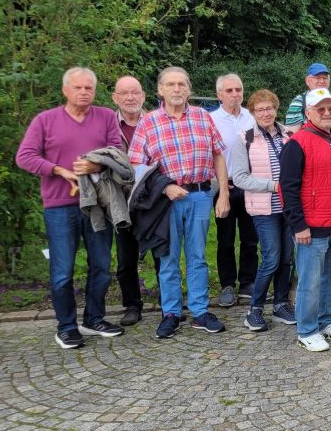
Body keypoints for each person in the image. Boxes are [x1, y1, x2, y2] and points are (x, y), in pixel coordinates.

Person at [16, 67, 124, 348]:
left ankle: (94, 318)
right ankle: (65, 326)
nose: (84, 92)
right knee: (63, 270)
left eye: (89, 88)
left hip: (98, 205)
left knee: (100, 265)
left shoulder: (107, 116)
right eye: (78, 87)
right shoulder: (45, 120)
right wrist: (57, 170)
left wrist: (96, 164)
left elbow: (116, 150)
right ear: (65, 90)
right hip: (60, 206)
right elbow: (24, 157)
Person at [129, 66, 231, 339]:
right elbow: (136, 165)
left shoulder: (202, 117)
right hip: (167, 201)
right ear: (160, 90)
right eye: (171, 85)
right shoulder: (148, 122)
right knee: (168, 258)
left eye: (181, 85)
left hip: (200, 195)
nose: (177, 89)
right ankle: (171, 313)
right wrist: (166, 187)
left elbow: (218, 154)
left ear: (189, 89)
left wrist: (223, 193)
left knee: (197, 257)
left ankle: (199, 311)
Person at [280, 88, 331, 351]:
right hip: (312, 225)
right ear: (308, 113)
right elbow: (288, 188)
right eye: (320, 109)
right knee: (311, 280)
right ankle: (306, 329)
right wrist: (298, 225)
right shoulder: (298, 143)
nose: (327, 112)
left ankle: (327, 321)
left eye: (330, 108)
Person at [229, 89, 297, 332]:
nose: (266, 113)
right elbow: (239, 178)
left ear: (276, 109)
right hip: (263, 208)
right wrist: (272, 186)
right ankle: (254, 310)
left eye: (269, 108)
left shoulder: (289, 134)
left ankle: (280, 305)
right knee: (271, 258)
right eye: (260, 110)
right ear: (253, 113)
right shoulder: (244, 138)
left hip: (289, 208)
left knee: (287, 259)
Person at [110, 75, 157, 326]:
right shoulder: (108, 125)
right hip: (122, 198)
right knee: (126, 257)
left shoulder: (155, 122)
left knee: (162, 253)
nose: (130, 97)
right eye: (124, 93)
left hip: (153, 197)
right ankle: (132, 305)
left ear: (143, 96)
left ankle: (168, 305)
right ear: (115, 97)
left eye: (135, 92)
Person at [210, 74, 258, 308]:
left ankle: (248, 281)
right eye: (229, 90)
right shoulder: (211, 120)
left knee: (250, 237)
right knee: (225, 239)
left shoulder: (251, 118)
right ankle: (227, 284)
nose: (235, 94)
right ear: (219, 94)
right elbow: (209, 153)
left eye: (238, 89)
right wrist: (219, 184)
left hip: (249, 185)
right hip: (224, 185)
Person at [285, 62, 330, 127]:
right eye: (317, 78)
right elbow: (292, 134)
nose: (322, 81)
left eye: (325, 78)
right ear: (307, 81)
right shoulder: (298, 103)